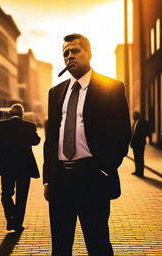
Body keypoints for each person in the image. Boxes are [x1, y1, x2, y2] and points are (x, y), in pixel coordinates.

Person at [43, 33, 131, 256]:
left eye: (74, 51)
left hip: (92, 177)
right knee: (60, 247)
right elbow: (51, 139)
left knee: (98, 243)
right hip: (60, 181)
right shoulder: (55, 93)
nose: (69, 56)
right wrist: (48, 178)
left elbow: (122, 133)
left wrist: (105, 168)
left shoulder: (111, 87)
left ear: (88, 54)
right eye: (65, 53)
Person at [0, 103, 40, 232]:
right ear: (22, 115)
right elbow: (36, 141)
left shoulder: (1, 125)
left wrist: (0, 157)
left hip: (6, 165)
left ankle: (10, 216)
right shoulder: (29, 126)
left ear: (10, 114)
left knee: (6, 193)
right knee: (22, 196)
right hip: (25, 166)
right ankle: (17, 223)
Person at [130, 111, 150, 177]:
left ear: (137, 115)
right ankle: (137, 171)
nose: (133, 117)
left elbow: (147, 131)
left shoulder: (143, 122)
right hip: (135, 144)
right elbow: (133, 134)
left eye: (134, 115)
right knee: (136, 158)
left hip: (140, 143)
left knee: (140, 158)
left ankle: (141, 173)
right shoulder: (134, 123)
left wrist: (142, 137)